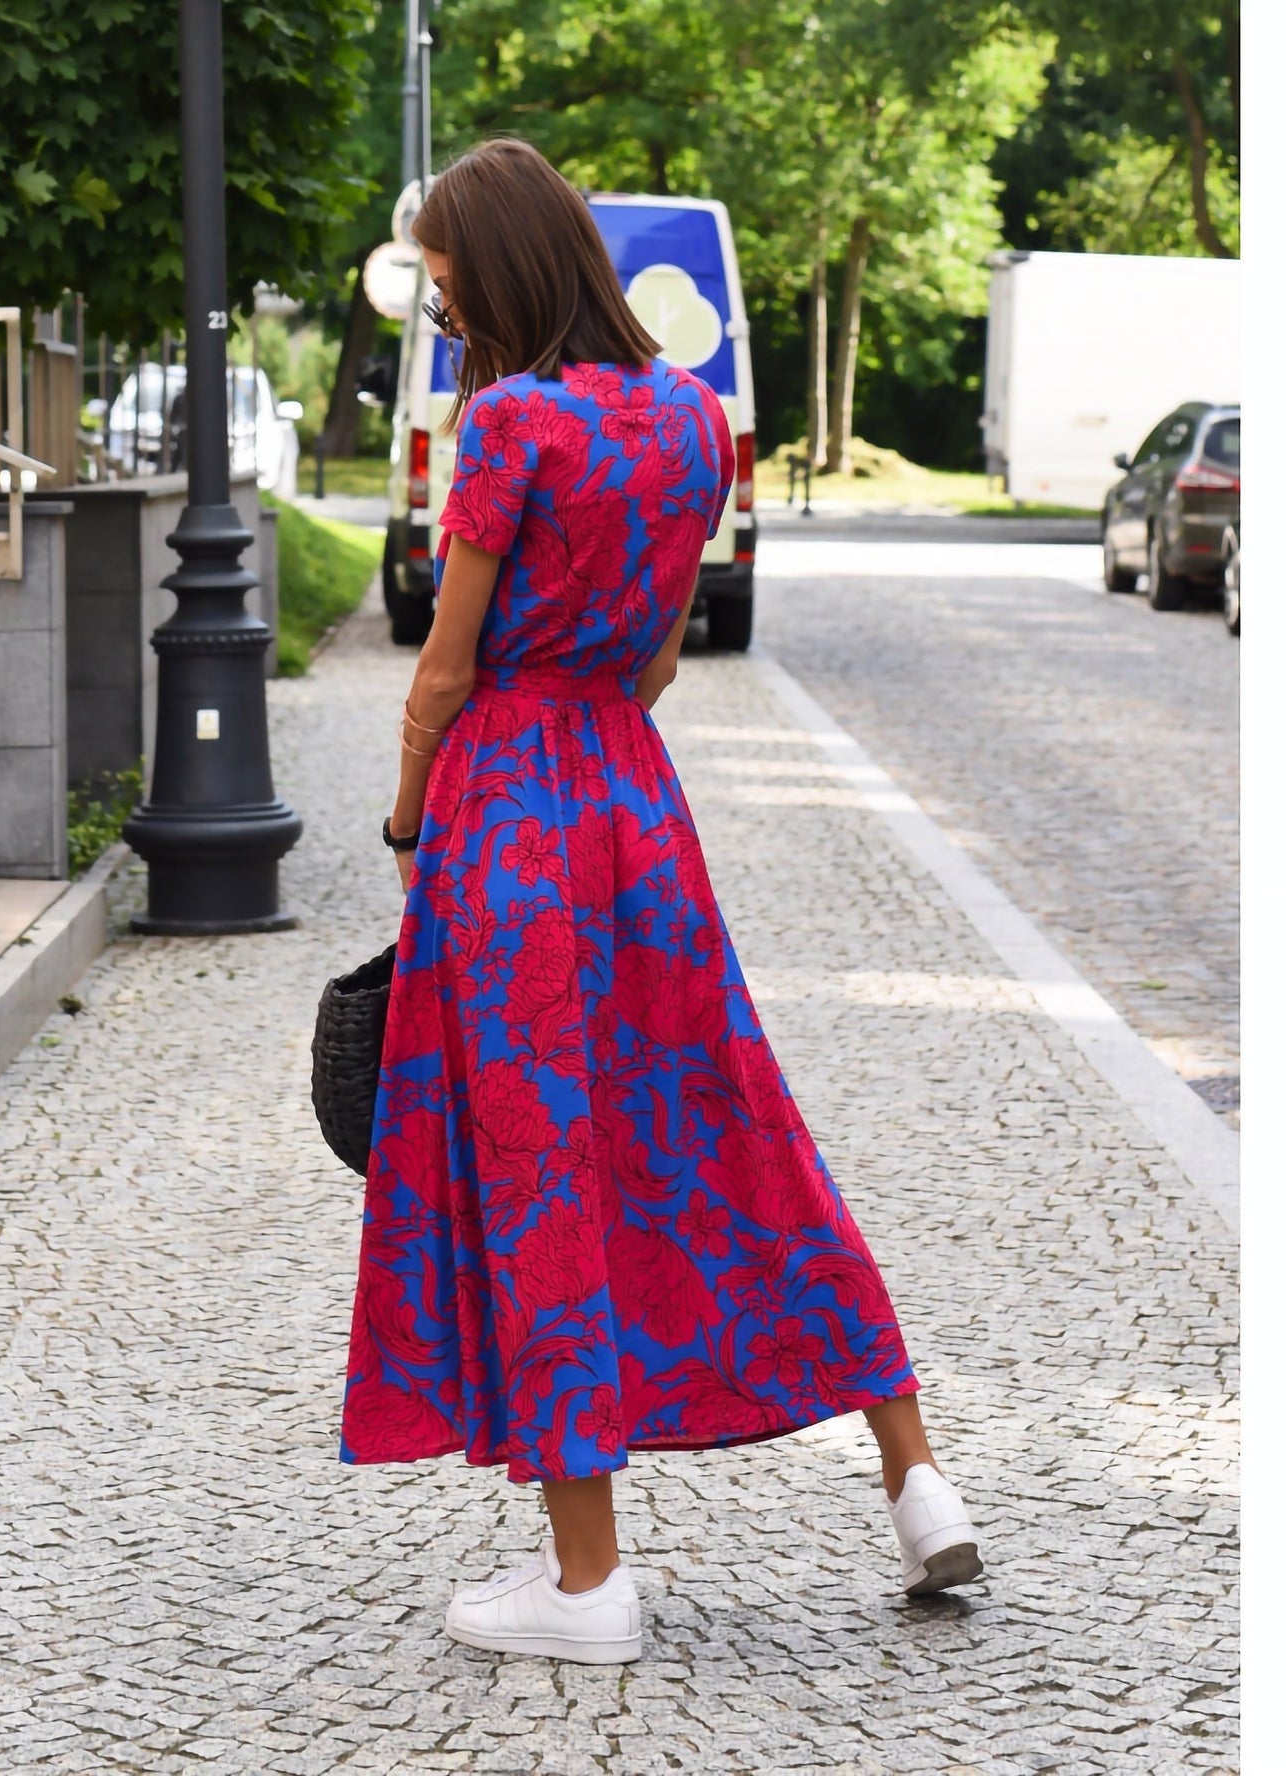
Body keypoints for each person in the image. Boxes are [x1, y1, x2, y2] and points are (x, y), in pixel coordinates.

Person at [340, 137, 983, 1664]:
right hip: (636, 815)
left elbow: (443, 661)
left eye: (444, 287)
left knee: (539, 1166)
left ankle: (588, 1586)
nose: (442, 315)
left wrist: (410, 805)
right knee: (733, 1127)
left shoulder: (507, 426)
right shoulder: (693, 416)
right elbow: (654, 661)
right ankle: (917, 1481)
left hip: (509, 819)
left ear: (493, 274)